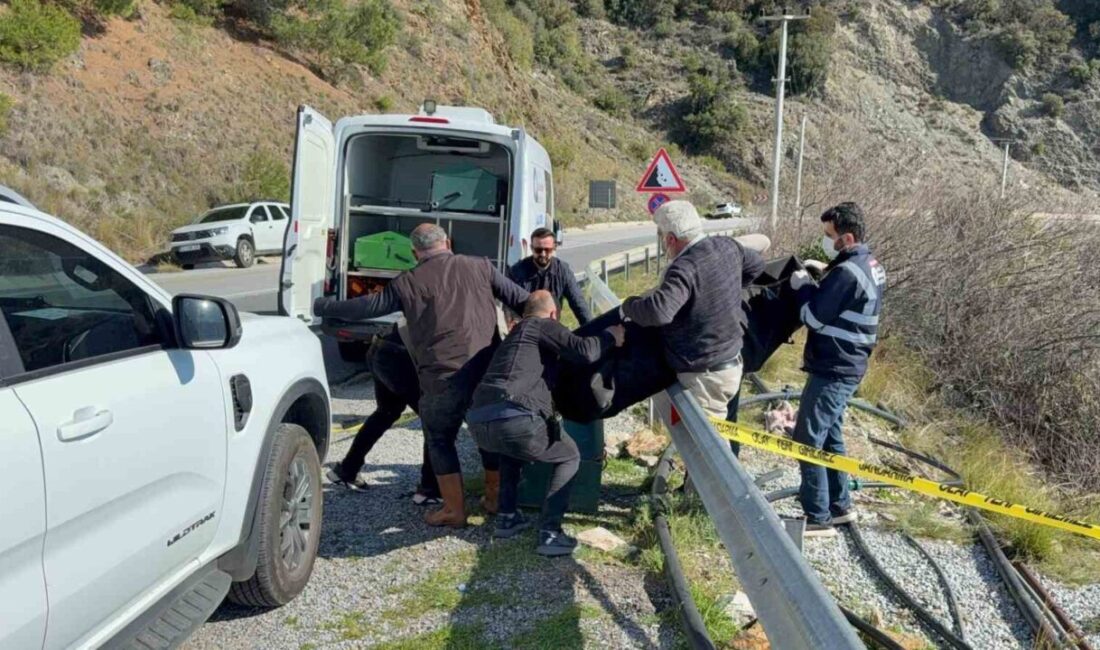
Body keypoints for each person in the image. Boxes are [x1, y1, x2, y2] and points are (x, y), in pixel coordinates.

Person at [314, 224, 530, 528]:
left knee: (440, 438)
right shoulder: (481, 266)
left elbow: (367, 306)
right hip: (486, 373)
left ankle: (453, 510)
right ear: (448, 243)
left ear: (415, 252)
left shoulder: (407, 282)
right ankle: (494, 499)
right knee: (487, 434)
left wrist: (325, 306)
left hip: (442, 377)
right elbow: (524, 300)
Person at [467, 291, 625, 556]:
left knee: (510, 450)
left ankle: (507, 517)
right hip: (515, 417)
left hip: (479, 422)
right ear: (554, 314)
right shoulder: (542, 325)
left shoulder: (514, 337)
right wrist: (611, 336)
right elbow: (585, 352)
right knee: (569, 456)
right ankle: (550, 533)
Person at [788, 202, 886, 537]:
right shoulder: (866, 263)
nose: (827, 241)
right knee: (830, 434)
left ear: (846, 236)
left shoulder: (848, 273)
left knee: (807, 436)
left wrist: (802, 288)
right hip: (848, 363)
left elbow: (813, 317)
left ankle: (817, 517)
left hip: (835, 366)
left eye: (830, 236)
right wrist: (824, 273)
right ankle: (840, 505)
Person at [619, 200, 765, 419]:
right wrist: (730, 290)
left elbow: (659, 311)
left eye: (661, 237)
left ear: (670, 239)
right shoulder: (726, 246)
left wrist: (629, 305)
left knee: (707, 448)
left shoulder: (683, 268)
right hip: (730, 362)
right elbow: (756, 265)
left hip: (705, 377)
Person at [324, 324, 441, 506]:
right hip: (402, 354)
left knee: (387, 412)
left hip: (382, 345)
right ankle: (429, 489)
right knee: (434, 421)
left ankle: (347, 469)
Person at [507, 227, 592, 325]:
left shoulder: (563, 271)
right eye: (538, 250)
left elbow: (578, 303)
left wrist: (591, 331)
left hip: (553, 327)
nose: (543, 254)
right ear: (531, 248)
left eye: (547, 250)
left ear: (554, 247)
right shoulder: (517, 271)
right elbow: (510, 305)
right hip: (525, 328)